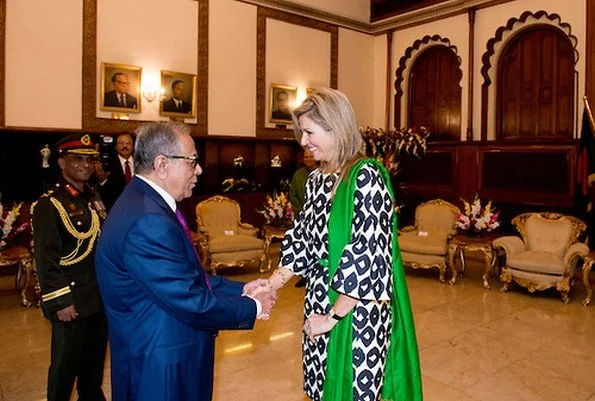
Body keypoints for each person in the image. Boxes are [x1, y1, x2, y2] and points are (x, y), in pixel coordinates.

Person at [246, 88, 422, 401]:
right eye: (302, 133)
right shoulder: (317, 179)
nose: (303, 142)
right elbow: (302, 241)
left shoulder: (367, 176)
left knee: (354, 389)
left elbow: (370, 254)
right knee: (320, 384)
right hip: (319, 298)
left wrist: (333, 317)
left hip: (357, 310)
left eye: (309, 132)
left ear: (336, 128)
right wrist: (271, 284)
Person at [94, 122, 275, 401]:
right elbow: (188, 299)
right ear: (162, 164)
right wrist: (252, 306)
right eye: (192, 161)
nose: (199, 170)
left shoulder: (144, 203)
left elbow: (184, 276)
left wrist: (240, 289)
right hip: (161, 367)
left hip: (160, 354)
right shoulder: (147, 220)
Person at [32, 133, 108, 401]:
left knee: (92, 370)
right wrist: (60, 301)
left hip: (97, 299)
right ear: (62, 162)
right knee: (64, 370)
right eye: (78, 159)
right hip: (71, 303)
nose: (85, 165)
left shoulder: (94, 198)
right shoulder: (49, 204)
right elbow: (45, 259)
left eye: (90, 159)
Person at [289, 149, 317, 288]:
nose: (308, 159)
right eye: (305, 157)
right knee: (303, 247)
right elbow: (292, 194)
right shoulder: (298, 174)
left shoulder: (321, 173)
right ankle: (304, 276)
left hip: (317, 218)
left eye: (310, 157)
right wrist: (301, 211)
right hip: (301, 217)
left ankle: (314, 277)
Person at [95, 132, 135, 211]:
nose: (124, 146)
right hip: (115, 208)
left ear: (133, 146)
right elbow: (102, 191)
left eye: (128, 143)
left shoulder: (141, 164)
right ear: (116, 146)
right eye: (121, 143)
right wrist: (102, 179)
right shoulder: (108, 163)